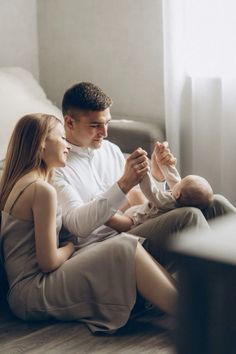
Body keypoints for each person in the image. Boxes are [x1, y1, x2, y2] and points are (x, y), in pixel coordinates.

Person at [0, 113, 177, 334]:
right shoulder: (41, 190)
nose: (67, 145)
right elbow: (48, 262)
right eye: (61, 139)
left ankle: (189, 308)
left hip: (26, 288)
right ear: (42, 143)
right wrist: (70, 247)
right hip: (31, 291)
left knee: (125, 244)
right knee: (125, 246)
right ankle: (193, 316)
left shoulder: (18, 181)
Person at [54, 81, 236, 267]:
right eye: (95, 125)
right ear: (69, 122)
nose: (105, 132)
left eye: (107, 123)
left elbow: (141, 205)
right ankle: (214, 289)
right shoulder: (57, 166)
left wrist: (157, 175)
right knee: (189, 216)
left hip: (132, 225)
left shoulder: (111, 150)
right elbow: (79, 227)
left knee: (215, 203)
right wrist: (124, 184)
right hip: (102, 245)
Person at [107, 141, 214, 230]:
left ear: (177, 195)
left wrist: (143, 172)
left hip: (137, 221)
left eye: (181, 183)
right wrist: (165, 164)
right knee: (135, 194)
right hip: (140, 210)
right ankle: (112, 209)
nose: (178, 181)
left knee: (117, 221)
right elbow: (173, 178)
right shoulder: (180, 197)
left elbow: (151, 191)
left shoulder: (167, 201)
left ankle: (103, 214)